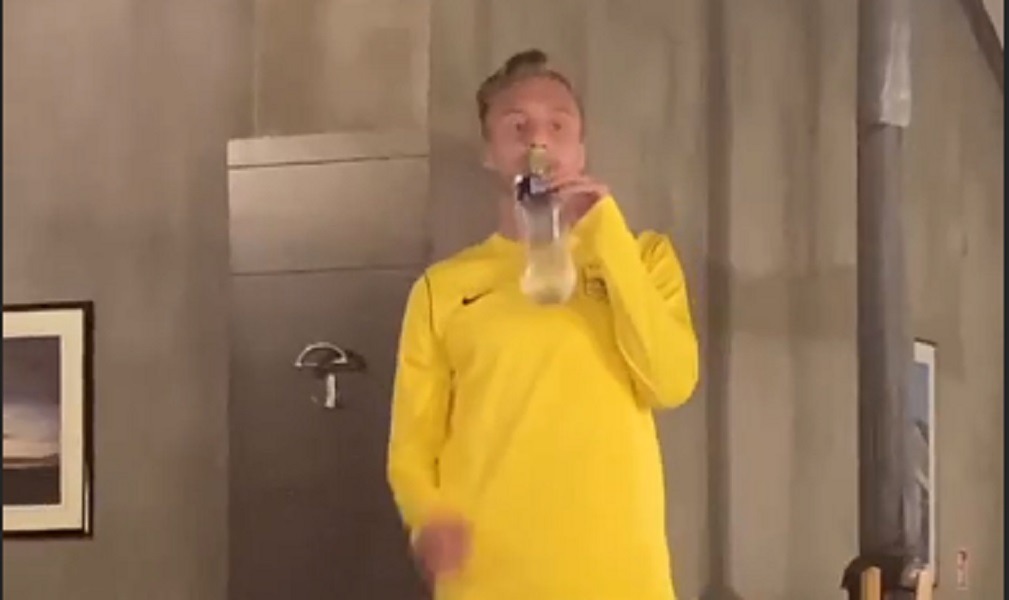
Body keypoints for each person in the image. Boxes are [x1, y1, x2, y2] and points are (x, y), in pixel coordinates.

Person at [386, 48, 699, 600]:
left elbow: (671, 383)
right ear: (490, 152)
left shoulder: (644, 258)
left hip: (621, 579)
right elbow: (412, 445)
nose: (538, 140)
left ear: (580, 148)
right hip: (490, 580)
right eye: (517, 126)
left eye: (558, 125)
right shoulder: (443, 289)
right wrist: (427, 517)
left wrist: (605, 234)